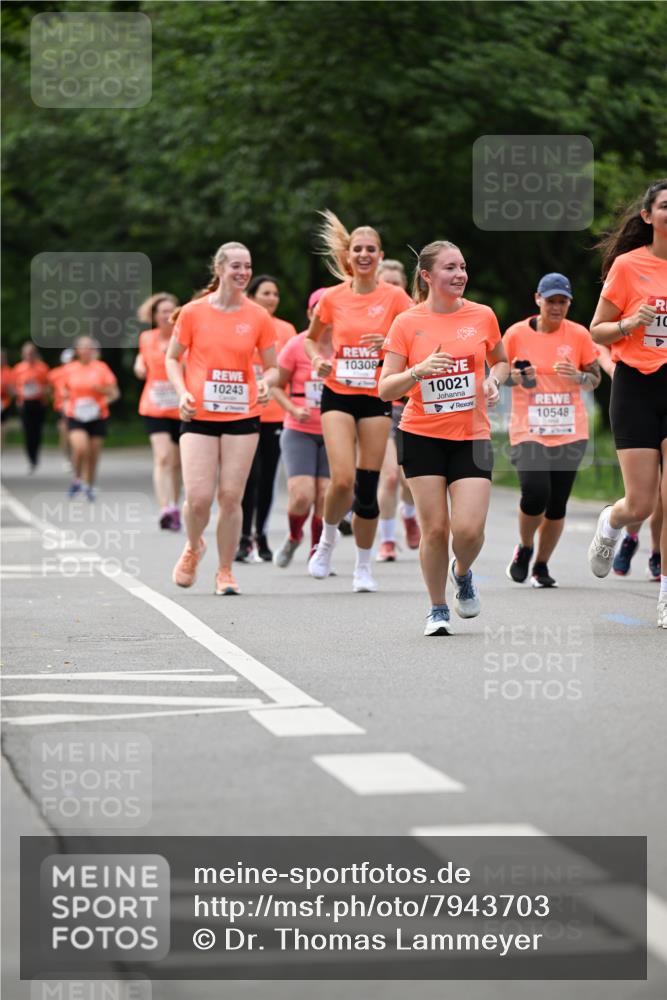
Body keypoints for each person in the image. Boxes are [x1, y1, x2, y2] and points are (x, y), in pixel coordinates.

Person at [380, 240, 509, 635]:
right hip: (421, 434)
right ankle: (437, 608)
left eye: (463, 267)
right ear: (427, 276)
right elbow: (386, 389)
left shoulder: (483, 316)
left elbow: (501, 360)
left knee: (468, 531)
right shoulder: (406, 322)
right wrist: (419, 370)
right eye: (450, 268)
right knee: (435, 529)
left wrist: (493, 380)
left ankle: (463, 571)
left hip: (472, 435)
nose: (460, 275)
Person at [305, 211, 413, 591]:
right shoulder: (333, 298)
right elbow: (311, 338)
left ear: (380, 256)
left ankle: (363, 567)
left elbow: (415, 338)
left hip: (376, 395)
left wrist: (386, 346)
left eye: (371, 249)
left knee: (367, 490)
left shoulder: (396, 298)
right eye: (358, 249)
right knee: (342, 480)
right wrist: (318, 359)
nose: (364, 255)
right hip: (338, 393)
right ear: (348, 256)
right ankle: (326, 541)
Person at [166, 241, 278, 596]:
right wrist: (182, 390)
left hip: (242, 413)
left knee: (231, 496)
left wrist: (265, 382)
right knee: (198, 498)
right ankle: (194, 544)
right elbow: (172, 358)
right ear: (219, 269)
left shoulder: (258, 316)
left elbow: (273, 367)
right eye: (236, 266)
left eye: (247, 266)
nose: (243, 272)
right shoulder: (193, 313)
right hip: (199, 413)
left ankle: (225, 571)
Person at [587, 179, 667, 628]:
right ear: (647, 216)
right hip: (636, 384)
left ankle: (666, 596)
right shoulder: (627, 266)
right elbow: (596, 329)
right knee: (642, 504)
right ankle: (612, 521)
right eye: (666, 206)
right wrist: (630, 323)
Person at [504, 273, 601, 588]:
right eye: (551, 301)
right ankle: (525, 547)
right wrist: (515, 378)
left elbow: (595, 378)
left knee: (557, 503)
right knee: (535, 493)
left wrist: (578, 376)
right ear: (538, 299)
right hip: (528, 428)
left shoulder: (579, 335)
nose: (557, 307)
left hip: (570, 429)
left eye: (563, 301)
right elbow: (500, 374)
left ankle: (541, 566)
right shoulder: (517, 334)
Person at [237, 275, 297, 562]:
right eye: (266, 293)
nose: (272, 298)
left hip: (275, 414)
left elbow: (291, 372)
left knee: (268, 477)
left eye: (275, 293)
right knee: (248, 477)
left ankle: (260, 534)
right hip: (244, 410)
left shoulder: (286, 329)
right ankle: (242, 537)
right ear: (252, 295)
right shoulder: (241, 324)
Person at [272, 287, 332, 567]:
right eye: (318, 312)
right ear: (310, 314)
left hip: (335, 431)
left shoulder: (346, 347)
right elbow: (275, 385)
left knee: (324, 494)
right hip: (299, 429)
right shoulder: (297, 346)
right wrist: (293, 408)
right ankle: (295, 536)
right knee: (302, 494)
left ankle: (315, 552)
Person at [596, 345, 662, 581]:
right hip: (635, 393)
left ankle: (657, 552)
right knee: (644, 496)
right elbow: (599, 339)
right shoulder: (626, 309)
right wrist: (613, 369)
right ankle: (629, 536)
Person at [375, 258, 421, 561]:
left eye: (396, 283)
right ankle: (387, 540)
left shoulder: (416, 318)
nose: (391, 289)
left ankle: (408, 512)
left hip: (412, 406)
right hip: (378, 406)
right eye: (386, 283)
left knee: (408, 479)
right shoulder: (366, 316)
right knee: (389, 476)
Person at [134, 292, 183, 530]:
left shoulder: (184, 337)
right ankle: (165, 507)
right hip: (154, 405)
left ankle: (175, 504)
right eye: (162, 311)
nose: (166, 315)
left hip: (181, 406)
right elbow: (141, 359)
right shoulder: (147, 338)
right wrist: (139, 365)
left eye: (170, 311)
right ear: (154, 315)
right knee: (163, 457)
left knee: (177, 463)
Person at [62, 337, 119, 500]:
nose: (86, 350)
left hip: (97, 415)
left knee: (93, 454)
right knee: (80, 448)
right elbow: (64, 393)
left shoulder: (101, 368)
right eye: (82, 347)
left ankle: (88, 484)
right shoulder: (70, 369)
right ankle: (77, 478)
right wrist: (66, 405)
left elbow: (114, 393)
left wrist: (100, 398)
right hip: (76, 415)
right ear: (77, 350)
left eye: (89, 347)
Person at [12, 342, 50, 472]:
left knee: (37, 431)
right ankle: (31, 458)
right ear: (23, 354)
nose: (29, 355)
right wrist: (20, 393)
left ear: (35, 354)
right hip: (25, 403)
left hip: (39, 402)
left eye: (31, 353)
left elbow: (48, 386)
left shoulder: (42, 367)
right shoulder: (18, 368)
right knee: (28, 431)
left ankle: (36, 455)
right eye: (26, 353)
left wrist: (42, 390)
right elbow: (14, 387)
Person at [48, 348, 76, 468]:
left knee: (75, 433)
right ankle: (67, 458)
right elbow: (50, 388)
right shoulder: (55, 374)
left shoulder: (79, 371)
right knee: (65, 432)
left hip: (77, 406)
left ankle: (75, 457)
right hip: (62, 406)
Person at [1, 350, 15, 446]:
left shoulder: (9, 372)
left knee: (2, 426)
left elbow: (13, 391)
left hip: (4, 402)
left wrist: (8, 388)